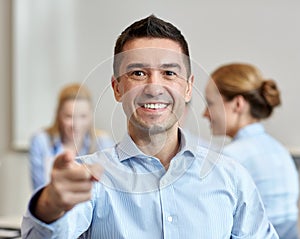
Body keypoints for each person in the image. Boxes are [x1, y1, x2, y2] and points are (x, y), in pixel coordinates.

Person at [21, 15, 279, 238]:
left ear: (188, 87)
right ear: (117, 88)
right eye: (138, 73)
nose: (154, 87)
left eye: (169, 73)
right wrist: (50, 205)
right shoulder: (92, 178)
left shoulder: (231, 177)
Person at [203, 62, 299, 239]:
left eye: (210, 104)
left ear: (238, 104)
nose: (204, 113)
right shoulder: (280, 150)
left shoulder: (230, 159)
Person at [29, 83, 114, 190]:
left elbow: (109, 191)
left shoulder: (103, 143)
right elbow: (39, 192)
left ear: (91, 116)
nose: (76, 125)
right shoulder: (41, 141)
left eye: (83, 116)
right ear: (59, 115)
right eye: (69, 116)